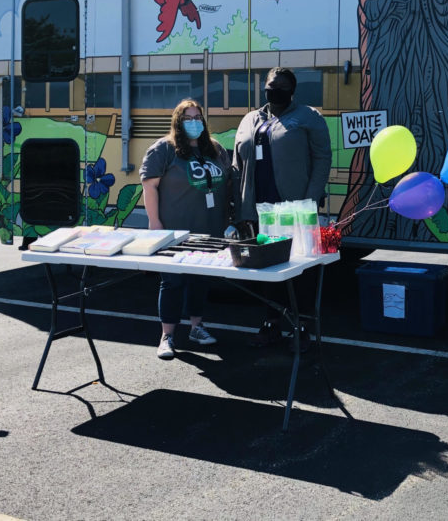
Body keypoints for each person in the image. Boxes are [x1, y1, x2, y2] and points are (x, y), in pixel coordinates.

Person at [232, 67, 332, 350]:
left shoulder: (308, 117)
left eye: (281, 86)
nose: (274, 90)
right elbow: (238, 164)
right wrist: (239, 207)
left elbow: (322, 159)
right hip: (259, 211)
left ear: (291, 91)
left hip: (294, 211)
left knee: (300, 269)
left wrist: (309, 200)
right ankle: (271, 323)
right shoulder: (251, 118)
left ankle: (303, 326)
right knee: (268, 269)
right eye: (270, 85)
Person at [141, 99, 233, 360]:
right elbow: (150, 186)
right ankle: (167, 335)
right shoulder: (164, 149)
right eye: (187, 118)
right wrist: (155, 223)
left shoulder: (214, 149)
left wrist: (229, 221)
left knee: (200, 280)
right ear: (177, 123)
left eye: (198, 118)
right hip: (175, 231)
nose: (194, 123)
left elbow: (228, 184)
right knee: (172, 281)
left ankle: (196, 327)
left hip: (209, 229)